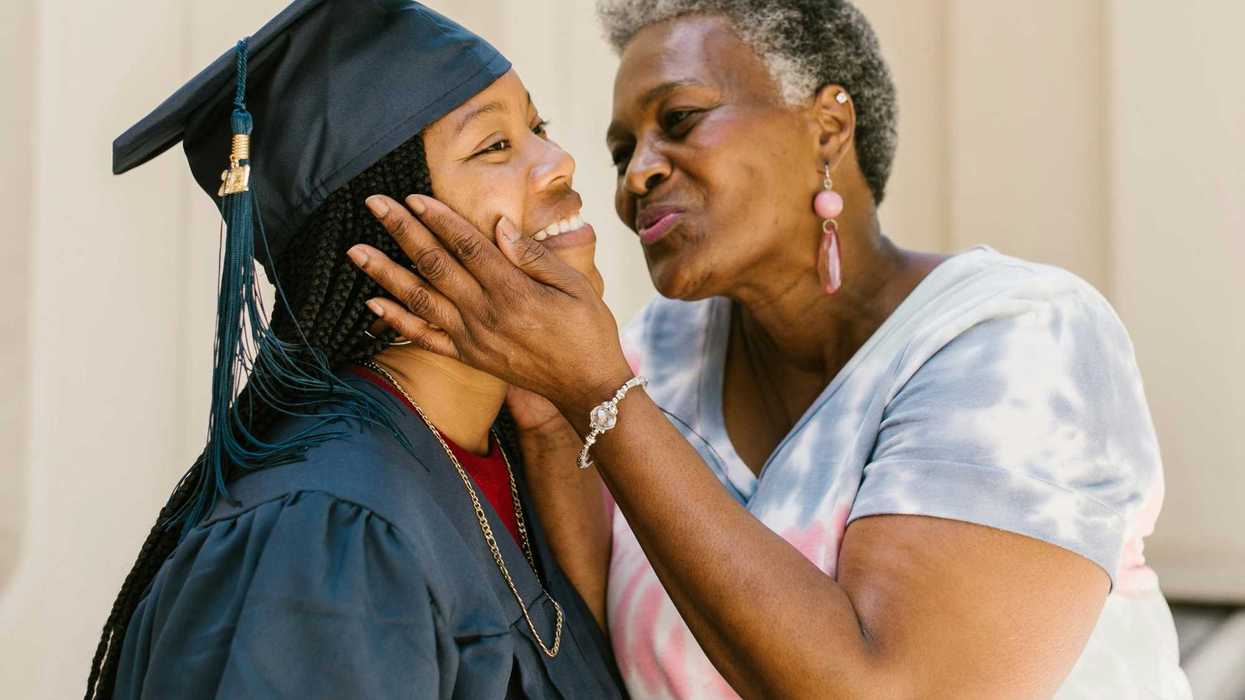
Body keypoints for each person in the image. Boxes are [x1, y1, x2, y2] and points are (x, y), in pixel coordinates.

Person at [350, 0, 1192, 697]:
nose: (634, 174)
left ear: (827, 127)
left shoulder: (1015, 339)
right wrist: (547, 412)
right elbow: (600, 663)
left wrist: (594, 388)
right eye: (620, 151)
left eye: (678, 120)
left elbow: (890, 688)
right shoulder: (652, 360)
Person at [85, 1, 623, 698]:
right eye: (495, 145)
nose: (560, 161)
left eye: (537, 127)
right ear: (381, 234)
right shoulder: (323, 531)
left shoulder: (510, 461)